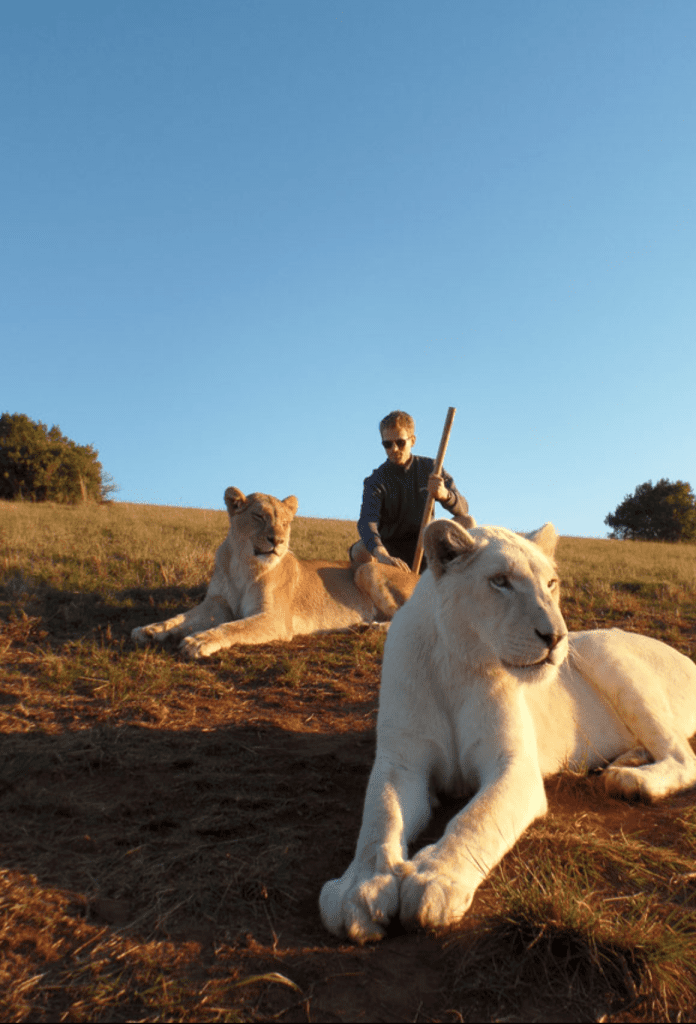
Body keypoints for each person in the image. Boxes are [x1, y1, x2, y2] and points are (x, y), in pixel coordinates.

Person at [350, 410, 470, 572]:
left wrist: (444, 495)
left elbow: (463, 509)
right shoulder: (375, 480)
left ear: (412, 440)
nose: (394, 449)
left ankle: (451, 582)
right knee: (360, 550)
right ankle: (369, 593)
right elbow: (367, 521)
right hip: (390, 550)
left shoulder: (431, 468)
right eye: (387, 444)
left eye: (400, 442)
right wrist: (381, 553)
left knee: (467, 523)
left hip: (426, 545)